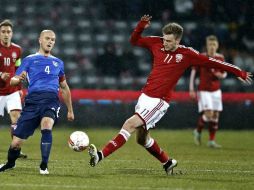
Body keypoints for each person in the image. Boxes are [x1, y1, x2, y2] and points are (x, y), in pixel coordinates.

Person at [88, 15, 252, 175]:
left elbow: (213, 62)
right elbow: (134, 41)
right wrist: (140, 28)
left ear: (178, 41)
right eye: (164, 39)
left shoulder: (187, 54)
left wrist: (238, 71)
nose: (164, 43)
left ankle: (100, 155)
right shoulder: (156, 42)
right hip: (145, 96)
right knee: (142, 139)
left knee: (129, 124)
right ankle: (167, 162)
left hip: (159, 101)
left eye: (169, 41)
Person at [0, 30, 74, 175]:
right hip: (32, 102)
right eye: (47, 38)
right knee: (16, 143)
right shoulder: (29, 60)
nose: (50, 41)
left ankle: (44, 165)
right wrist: (18, 79)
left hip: (51, 100)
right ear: (40, 40)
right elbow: (14, 79)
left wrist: (70, 109)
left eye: (53, 39)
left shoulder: (58, 63)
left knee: (46, 125)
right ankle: (10, 163)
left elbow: (64, 87)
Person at [189, 35, 227, 148]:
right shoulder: (201, 57)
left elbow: (225, 72)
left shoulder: (220, 58)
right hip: (204, 90)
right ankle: (198, 130)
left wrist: (222, 75)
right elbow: (193, 73)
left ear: (217, 45)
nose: (212, 47)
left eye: (214, 44)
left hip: (216, 90)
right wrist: (191, 89)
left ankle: (211, 140)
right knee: (209, 114)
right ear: (207, 45)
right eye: (210, 44)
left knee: (215, 116)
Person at [0, 19, 27, 158]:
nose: (6, 34)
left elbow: (18, 69)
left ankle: (15, 149)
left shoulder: (17, 49)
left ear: (12, 33)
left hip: (12, 91)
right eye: (3, 31)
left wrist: (19, 88)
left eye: (8, 32)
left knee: (16, 119)